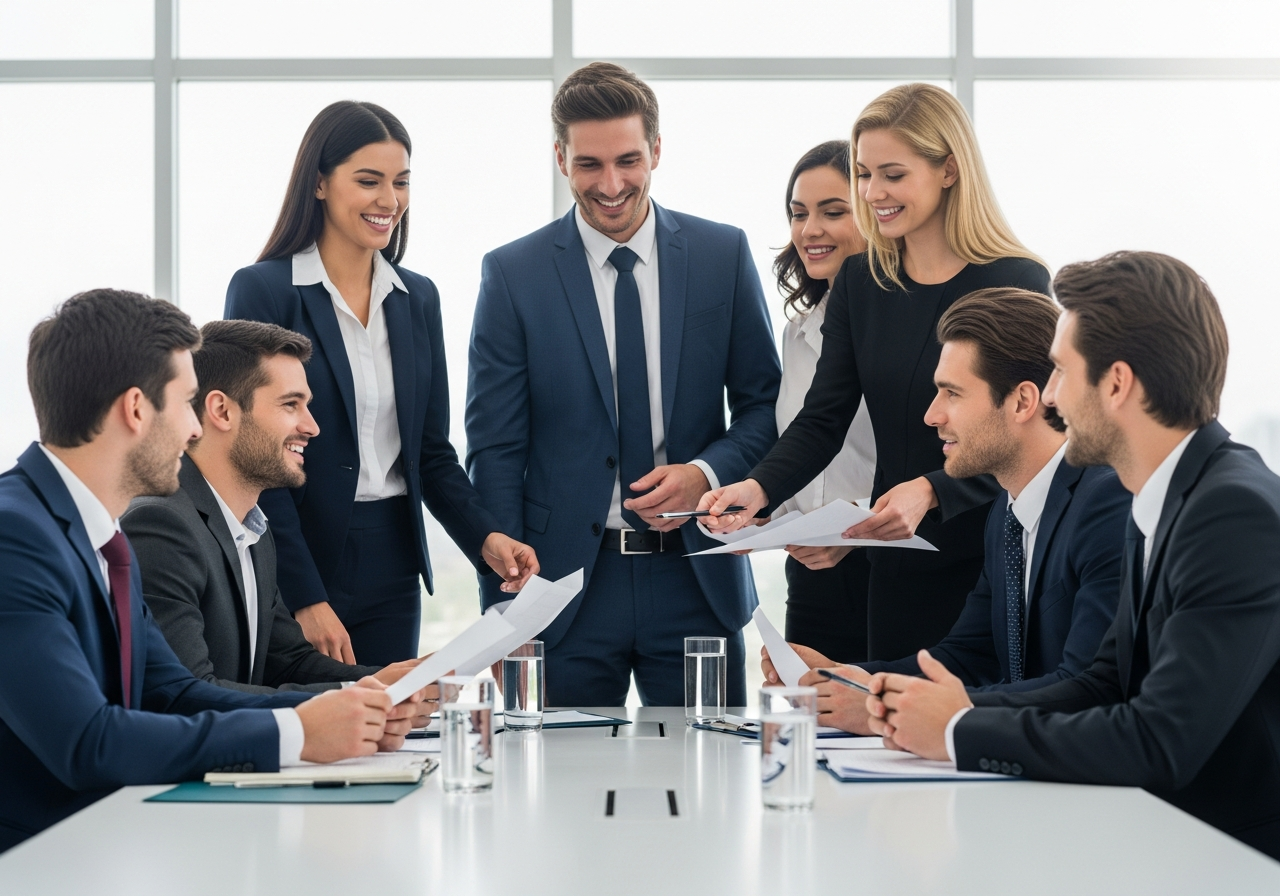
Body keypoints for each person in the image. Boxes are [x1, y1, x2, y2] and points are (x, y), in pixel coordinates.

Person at [865, 252, 1280, 860]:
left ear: (1115, 383)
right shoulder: (1162, 492)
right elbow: (1101, 682)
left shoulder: (1231, 514)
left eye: (1061, 372)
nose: (1051, 397)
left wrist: (959, 729)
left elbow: (1159, 738)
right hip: (1158, 837)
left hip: (1226, 857)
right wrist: (932, 709)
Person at [0, 289, 414, 853]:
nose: (195, 430)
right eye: (185, 403)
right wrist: (294, 733)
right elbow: (87, 741)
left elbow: (172, 693)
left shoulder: (103, 537)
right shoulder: (14, 535)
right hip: (39, 860)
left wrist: (338, 710)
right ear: (137, 409)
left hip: (105, 845)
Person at [465, 62, 781, 707]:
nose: (610, 185)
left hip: (697, 577)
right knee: (555, 791)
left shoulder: (723, 255)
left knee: (712, 786)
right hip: (562, 589)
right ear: (561, 158)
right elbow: (495, 448)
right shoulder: (513, 273)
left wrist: (706, 472)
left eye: (628, 160)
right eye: (589, 165)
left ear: (657, 151)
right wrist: (501, 619)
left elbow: (763, 407)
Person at [702, 82, 1050, 661]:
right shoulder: (862, 283)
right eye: (865, 174)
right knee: (884, 731)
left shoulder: (1016, 281)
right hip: (896, 567)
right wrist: (756, 488)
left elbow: (1038, 436)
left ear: (948, 170)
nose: (874, 193)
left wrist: (934, 491)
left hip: (989, 556)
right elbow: (822, 420)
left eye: (892, 174)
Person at [225, 100, 539, 667]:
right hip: (302, 556)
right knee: (310, 737)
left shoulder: (417, 298)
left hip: (394, 563)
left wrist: (486, 537)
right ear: (319, 183)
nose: (389, 201)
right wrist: (305, 595)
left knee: (388, 731)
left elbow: (430, 454)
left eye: (401, 183)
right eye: (368, 181)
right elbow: (255, 459)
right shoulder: (266, 291)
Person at [763, 288, 1129, 733]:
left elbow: (1088, 689)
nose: (931, 416)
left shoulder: (1108, 504)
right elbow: (968, 658)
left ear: (1022, 401)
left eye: (951, 394)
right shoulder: (1008, 513)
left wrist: (882, 707)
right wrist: (850, 680)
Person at [123, 321, 431, 712]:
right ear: (222, 410)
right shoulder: (161, 526)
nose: (312, 426)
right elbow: (183, 695)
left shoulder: (253, 529)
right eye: (291, 404)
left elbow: (288, 661)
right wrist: (357, 700)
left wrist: (383, 682)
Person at [770, 140, 875, 662]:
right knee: (807, 730)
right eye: (798, 214)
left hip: (884, 568)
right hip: (810, 574)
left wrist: (853, 528)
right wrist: (764, 513)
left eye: (833, 212)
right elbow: (804, 444)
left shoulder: (903, 329)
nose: (809, 230)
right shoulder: (798, 333)